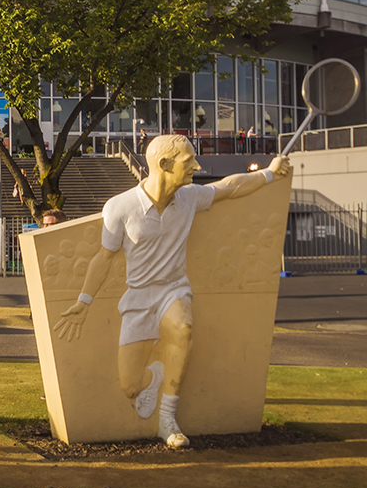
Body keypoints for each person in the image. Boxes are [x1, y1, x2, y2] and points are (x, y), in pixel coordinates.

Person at [57, 135, 291, 448]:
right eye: (189, 160)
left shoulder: (190, 197)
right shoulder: (120, 207)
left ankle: (167, 419)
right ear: (165, 165)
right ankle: (154, 376)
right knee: (129, 386)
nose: (197, 165)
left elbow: (230, 187)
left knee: (184, 327)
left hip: (173, 290)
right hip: (138, 299)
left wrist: (270, 173)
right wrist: (84, 302)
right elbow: (104, 258)